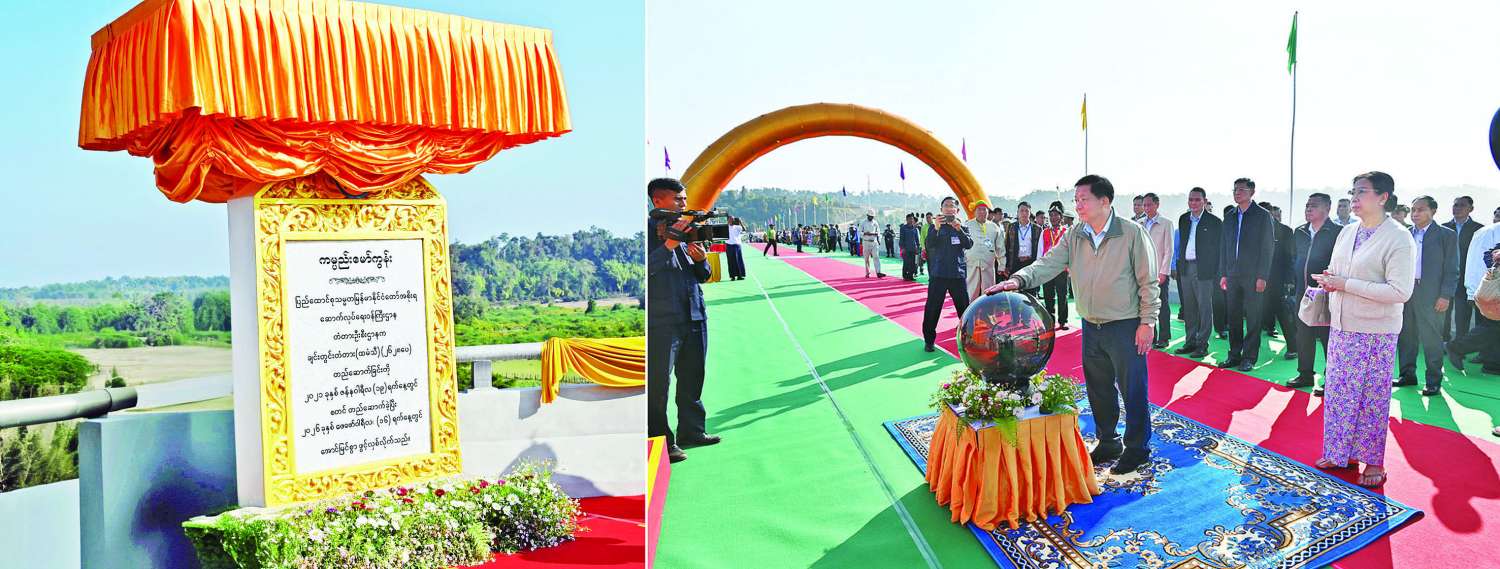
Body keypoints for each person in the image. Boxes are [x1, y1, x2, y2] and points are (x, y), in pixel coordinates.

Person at [987, 174, 1160, 474]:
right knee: (1099, 388)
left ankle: (1137, 448)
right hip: (1091, 325)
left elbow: (1149, 281)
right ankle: (1109, 441)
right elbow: (1049, 263)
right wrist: (1019, 279)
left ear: (1104, 201)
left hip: (1125, 324)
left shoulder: (1131, 233)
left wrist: (1148, 322)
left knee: (1133, 389)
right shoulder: (1075, 233)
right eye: (1076, 200)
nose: (1077, 205)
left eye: (1083, 199)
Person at [1311, 171, 1413, 488]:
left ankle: (1373, 461)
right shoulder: (1347, 232)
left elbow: (1400, 291)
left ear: (1383, 197)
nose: (1354, 198)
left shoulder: (1398, 237)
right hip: (1342, 326)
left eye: (1362, 192)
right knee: (1340, 394)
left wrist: (1345, 284)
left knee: (1370, 398)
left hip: (1375, 333)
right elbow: (1339, 271)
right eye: (1353, 191)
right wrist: (1330, 280)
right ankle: (1340, 453)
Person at [646, 178, 720, 463]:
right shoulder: (648, 232)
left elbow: (703, 276)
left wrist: (701, 260)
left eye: (684, 199)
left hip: (694, 315)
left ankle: (692, 431)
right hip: (662, 320)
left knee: (693, 376)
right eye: (678, 199)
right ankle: (661, 441)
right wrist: (668, 245)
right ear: (658, 201)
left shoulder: (688, 230)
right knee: (659, 384)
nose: (684, 204)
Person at [1394, 196, 1457, 395]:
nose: (1415, 213)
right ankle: (1407, 375)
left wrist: (1445, 295)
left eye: (1421, 209)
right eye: (1413, 210)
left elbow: (1452, 268)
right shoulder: (1405, 234)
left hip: (1432, 294)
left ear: (1433, 211)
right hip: (1406, 291)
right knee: (1406, 335)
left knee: (1431, 338)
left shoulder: (1446, 235)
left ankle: (1433, 381)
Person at [1286, 193, 1341, 393]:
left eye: (1314, 206)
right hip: (1303, 292)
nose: (1308, 209)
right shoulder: (1300, 231)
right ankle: (1305, 374)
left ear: (1327, 208)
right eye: (1307, 205)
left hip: (1327, 292)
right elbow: (1294, 257)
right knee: (1303, 334)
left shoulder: (1338, 232)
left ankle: (1332, 380)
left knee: (1328, 337)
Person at [1218, 178, 1275, 372]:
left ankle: (1249, 357)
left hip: (1253, 276)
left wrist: (1262, 276)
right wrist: (1223, 273)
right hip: (1232, 275)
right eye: (1235, 189)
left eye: (1241, 189)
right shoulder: (1230, 216)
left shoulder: (1262, 215)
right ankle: (1234, 354)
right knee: (1233, 316)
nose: (1237, 193)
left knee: (1253, 318)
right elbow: (1224, 247)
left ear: (1252, 192)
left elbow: (1267, 248)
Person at [921, 197, 973, 352]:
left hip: (957, 274)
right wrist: (936, 228)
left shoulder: (962, 226)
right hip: (938, 274)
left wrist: (959, 230)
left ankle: (968, 339)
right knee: (932, 308)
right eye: (946, 206)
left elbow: (969, 244)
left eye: (952, 206)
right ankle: (929, 340)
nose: (949, 208)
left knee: (964, 309)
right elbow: (929, 244)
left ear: (957, 210)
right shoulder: (935, 226)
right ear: (941, 209)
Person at [1174, 187, 1221, 358]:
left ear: (1204, 201)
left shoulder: (1214, 222)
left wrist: (1216, 272)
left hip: (1204, 271)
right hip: (1186, 268)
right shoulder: (1183, 219)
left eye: (1197, 200)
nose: (1193, 203)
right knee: (1189, 307)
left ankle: (1202, 345)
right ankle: (1190, 341)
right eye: (1191, 199)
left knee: (1204, 308)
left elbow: (1219, 249)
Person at [1448, 224, 1500, 375]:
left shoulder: (1485, 231)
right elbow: (1486, 259)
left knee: (1493, 327)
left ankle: (1493, 364)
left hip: (1485, 287)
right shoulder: (1491, 232)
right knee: (1492, 327)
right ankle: (1457, 347)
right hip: (1492, 290)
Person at [1442, 196, 1485, 342]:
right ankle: (1444, 341)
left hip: (1467, 278)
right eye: (1455, 205)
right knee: (1443, 312)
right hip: (1446, 277)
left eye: (1462, 205)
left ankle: (1460, 343)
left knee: (1463, 314)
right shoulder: (1443, 228)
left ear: (1470, 209)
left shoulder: (1479, 229)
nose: (1457, 208)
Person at [1260, 202, 1297, 351]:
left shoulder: (1285, 231)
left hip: (1277, 280)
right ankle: (1251, 350)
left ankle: (1293, 347)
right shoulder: (1253, 230)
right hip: (1255, 280)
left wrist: (1289, 280)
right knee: (1255, 315)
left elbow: (1290, 258)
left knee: (1283, 314)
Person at [1140, 193, 1174, 349]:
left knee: (1162, 306)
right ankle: (1151, 336)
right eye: (1144, 205)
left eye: (1149, 204)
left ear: (1157, 204)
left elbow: (1169, 250)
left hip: (1159, 272)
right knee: (1145, 305)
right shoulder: (1139, 223)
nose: (1146, 208)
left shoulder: (1166, 223)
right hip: (1142, 272)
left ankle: (1164, 337)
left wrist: (1163, 272)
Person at [963, 202, 1003, 301]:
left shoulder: (994, 227)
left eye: (984, 210)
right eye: (979, 209)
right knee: (971, 291)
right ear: (974, 212)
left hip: (988, 265)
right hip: (971, 264)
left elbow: (1000, 248)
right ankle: (970, 310)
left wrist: (1002, 265)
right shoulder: (967, 225)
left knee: (989, 292)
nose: (982, 212)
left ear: (988, 212)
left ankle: (988, 310)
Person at [1041, 205, 1072, 329]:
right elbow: (1040, 250)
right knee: (1048, 295)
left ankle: (1063, 320)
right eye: (1051, 215)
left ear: (1061, 217)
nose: (1053, 217)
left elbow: (1071, 250)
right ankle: (1050, 320)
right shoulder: (1045, 232)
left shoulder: (1067, 232)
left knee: (1062, 295)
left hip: (1062, 268)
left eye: (1056, 215)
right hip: (1047, 268)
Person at [1005, 201, 1043, 295]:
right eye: (1021, 211)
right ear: (1017, 213)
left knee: (1031, 292)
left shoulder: (1037, 229)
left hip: (1030, 263)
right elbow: (1007, 245)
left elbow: (1040, 249)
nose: (1024, 213)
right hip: (1015, 263)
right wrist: (1006, 265)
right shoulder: (1011, 227)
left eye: (1027, 211)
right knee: (1015, 292)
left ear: (1030, 213)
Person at [859, 210, 886, 278]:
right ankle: (867, 272)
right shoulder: (863, 222)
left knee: (876, 257)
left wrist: (879, 239)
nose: (871, 218)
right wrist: (865, 233)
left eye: (872, 216)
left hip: (874, 242)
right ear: (867, 215)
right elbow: (859, 232)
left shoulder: (875, 223)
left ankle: (878, 272)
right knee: (866, 258)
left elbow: (878, 232)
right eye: (870, 216)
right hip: (866, 242)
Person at [900, 214, 921, 281]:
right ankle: (905, 276)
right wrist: (902, 248)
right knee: (906, 263)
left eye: (912, 219)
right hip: (906, 249)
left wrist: (918, 247)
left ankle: (911, 275)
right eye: (909, 219)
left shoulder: (915, 229)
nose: (911, 220)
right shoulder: (903, 228)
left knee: (912, 263)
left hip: (913, 248)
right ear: (907, 220)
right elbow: (901, 239)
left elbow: (917, 239)